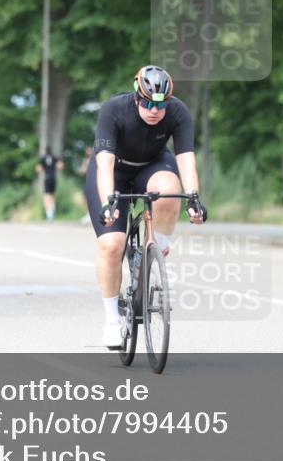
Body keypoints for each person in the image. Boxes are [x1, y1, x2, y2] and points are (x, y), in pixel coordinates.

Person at [86, 65, 207, 349]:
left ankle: (157, 246)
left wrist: (194, 199)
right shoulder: (114, 109)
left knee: (168, 189)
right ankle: (112, 321)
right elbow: (104, 164)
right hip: (114, 170)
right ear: (136, 96)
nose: (154, 110)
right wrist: (108, 203)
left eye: (161, 104)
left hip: (151, 165)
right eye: (148, 103)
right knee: (112, 245)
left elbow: (186, 159)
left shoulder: (178, 112)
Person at [35, 147, 63, 221]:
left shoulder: (43, 158)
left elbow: (38, 169)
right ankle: (52, 209)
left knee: (46, 196)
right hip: (53, 178)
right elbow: (61, 166)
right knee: (52, 194)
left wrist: (44, 168)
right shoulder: (55, 158)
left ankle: (49, 213)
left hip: (47, 178)